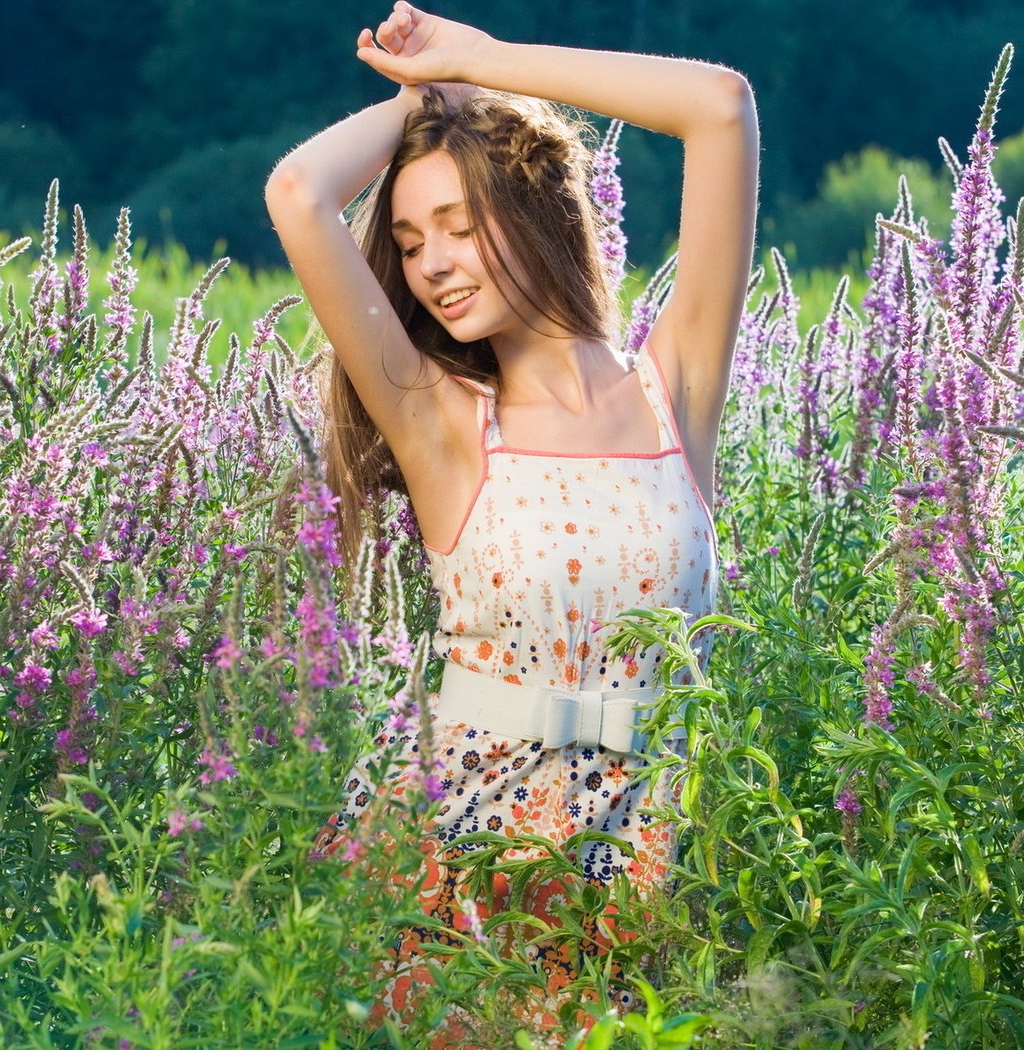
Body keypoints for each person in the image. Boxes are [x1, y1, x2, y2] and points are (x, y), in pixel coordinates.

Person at [264, 2, 757, 1044]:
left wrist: (486, 66)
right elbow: (299, 193)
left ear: (536, 203)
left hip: (653, 841)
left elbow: (720, 108)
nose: (432, 263)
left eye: (456, 224)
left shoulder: (678, 390)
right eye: (408, 241)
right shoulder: (439, 422)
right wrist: (425, 103)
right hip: (473, 847)